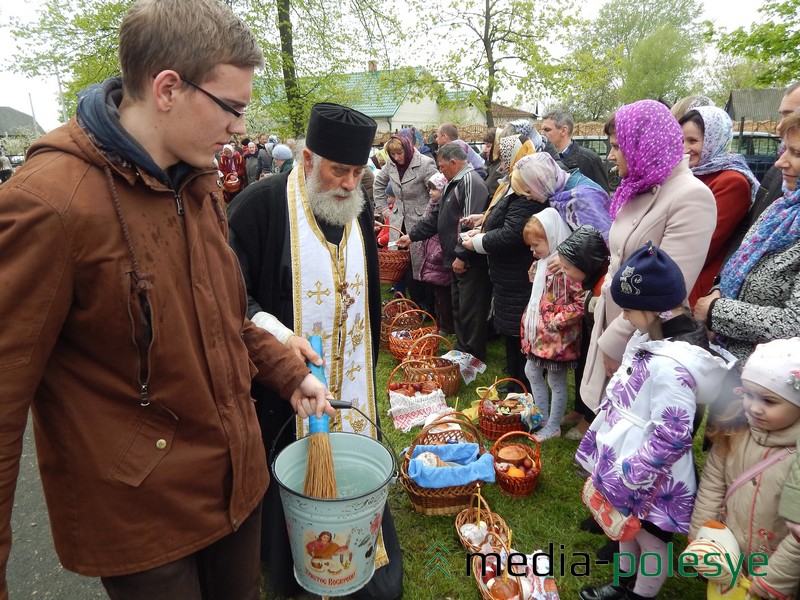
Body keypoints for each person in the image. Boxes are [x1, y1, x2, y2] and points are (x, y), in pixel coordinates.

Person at [0, 1, 334, 598]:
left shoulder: (200, 185)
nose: (238, 127)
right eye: (231, 107)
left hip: (236, 482)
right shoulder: (50, 203)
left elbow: (223, 318)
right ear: (168, 89)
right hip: (143, 516)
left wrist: (287, 373)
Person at [227, 103, 403, 600]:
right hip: (282, 389)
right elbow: (229, 298)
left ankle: (364, 548)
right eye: (338, 171)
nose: (349, 185)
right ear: (307, 160)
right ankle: (297, 565)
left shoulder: (357, 209)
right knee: (286, 476)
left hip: (348, 377)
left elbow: (368, 295)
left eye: (356, 172)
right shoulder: (257, 208)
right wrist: (281, 337)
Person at [577, 244, 732, 600]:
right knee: (625, 528)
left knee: (648, 536)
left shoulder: (672, 366)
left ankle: (640, 593)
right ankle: (623, 581)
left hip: (649, 473)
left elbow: (673, 432)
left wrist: (635, 472)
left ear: (655, 308)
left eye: (629, 309)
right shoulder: (651, 337)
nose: (626, 317)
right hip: (629, 457)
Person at [581, 100, 716, 415]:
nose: (611, 156)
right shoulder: (638, 185)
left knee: (632, 430)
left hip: (642, 334)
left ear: (644, 144)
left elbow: (667, 289)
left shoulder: (690, 196)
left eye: (617, 146)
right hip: (615, 316)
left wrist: (615, 342)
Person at [690, 338, 800, 600]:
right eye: (748, 394)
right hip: (731, 550)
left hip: (778, 565)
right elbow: (713, 484)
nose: (753, 407)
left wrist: (771, 581)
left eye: (769, 401)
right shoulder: (734, 429)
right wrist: (701, 536)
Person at [693, 112, 800, 364]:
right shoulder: (782, 209)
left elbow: (794, 323)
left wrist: (716, 311)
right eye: (783, 150)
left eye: (796, 153)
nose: (780, 162)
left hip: (774, 384)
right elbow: (744, 263)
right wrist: (719, 290)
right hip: (736, 365)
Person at [397, 141, 491, 361]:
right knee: (459, 307)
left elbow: (471, 226)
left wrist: (461, 255)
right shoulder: (453, 182)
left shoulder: (470, 182)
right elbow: (434, 219)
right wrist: (411, 236)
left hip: (468, 261)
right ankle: (461, 349)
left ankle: (473, 355)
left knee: (471, 309)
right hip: (454, 259)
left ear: (454, 162)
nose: (440, 171)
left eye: (441, 166)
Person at [678, 106, 758, 306]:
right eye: (680, 141)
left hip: (696, 282)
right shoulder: (694, 173)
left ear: (715, 139)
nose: (685, 148)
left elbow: (704, 244)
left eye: (693, 141)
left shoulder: (732, 181)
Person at [520, 208, 584, 442]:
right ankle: (544, 416)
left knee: (556, 381)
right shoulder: (544, 264)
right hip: (541, 335)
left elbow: (580, 302)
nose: (532, 250)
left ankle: (553, 425)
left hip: (557, 337)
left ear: (553, 237)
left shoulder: (565, 269)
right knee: (531, 370)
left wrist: (556, 321)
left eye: (536, 245)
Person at [725, 82, 800, 257]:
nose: (779, 126)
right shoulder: (777, 170)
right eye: (781, 116)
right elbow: (749, 226)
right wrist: (721, 278)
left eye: (791, 115)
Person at [553, 226, 609, 441]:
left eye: (567, 267)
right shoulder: (591, 279)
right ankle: (580, 407)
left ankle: (590, 418)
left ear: (585, 264)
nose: (564, 271)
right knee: (583, 369)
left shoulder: (603, 288)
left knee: (595, 376)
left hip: (602, 345)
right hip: (588, 335)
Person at [373, 130, 438, 307]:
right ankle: (409, 302)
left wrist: (429, 215)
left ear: (407, 149)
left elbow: (437, 192)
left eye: (399, 153)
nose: (396, 157)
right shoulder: (391, 165)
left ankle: (426, 305)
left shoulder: (425, 163)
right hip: (398, 221)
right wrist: (384, 209)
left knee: (421, 264)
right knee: (402, 265)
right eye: (392, 154)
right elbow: (378, 184)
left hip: (420, 222)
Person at [418, 173, 455, 334]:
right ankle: (440, 323)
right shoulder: (432, 205)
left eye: (435, 189)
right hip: (433, 257)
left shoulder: (444, 208)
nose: (431, 193)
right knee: (437, 295)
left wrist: (437, 253)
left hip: (439, 257)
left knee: (444, 296)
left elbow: (444, 233)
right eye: (430, 189)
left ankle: (446, 326)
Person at [541, 109, 610, 191]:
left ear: (563, 130)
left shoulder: (589, 160)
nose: (542, 133)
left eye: (547, 130)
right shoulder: (542, 159)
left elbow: (603, 198)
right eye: (541, 130)